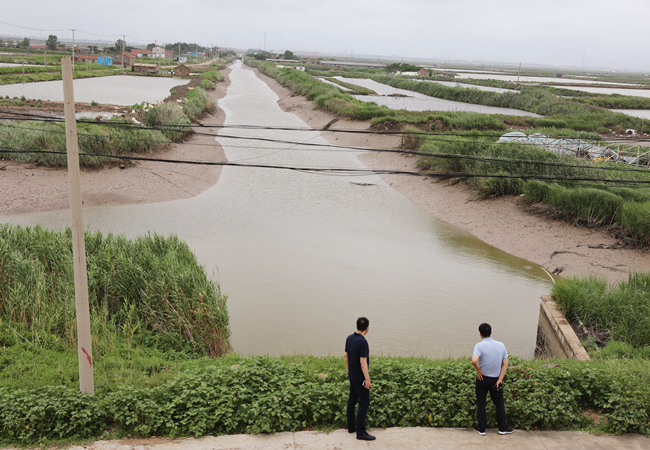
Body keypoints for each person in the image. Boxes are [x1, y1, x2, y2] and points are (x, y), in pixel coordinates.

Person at [471, 323, 514, 436]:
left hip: (482, 379)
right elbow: (505, 363)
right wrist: (500, 379)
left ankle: (481, 429)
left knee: (481, 403)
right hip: (496, 380)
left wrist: (478, 370)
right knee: (499, 403)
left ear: (480, 334)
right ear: (491, 332)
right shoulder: (501, 345)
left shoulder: (479, 346)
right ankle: (502, 428)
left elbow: (474, 361)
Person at [345, 317, 375, 441]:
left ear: (357, 326)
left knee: (352, 401)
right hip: (360, 379)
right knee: (364, 402)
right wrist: (367, 379)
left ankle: (351, 426)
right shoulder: (363, 342)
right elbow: (363, 362)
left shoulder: (349, 338)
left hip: (352, 376)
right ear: (367, 328)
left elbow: (346, 355)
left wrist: (348, 370)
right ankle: (361, 432)